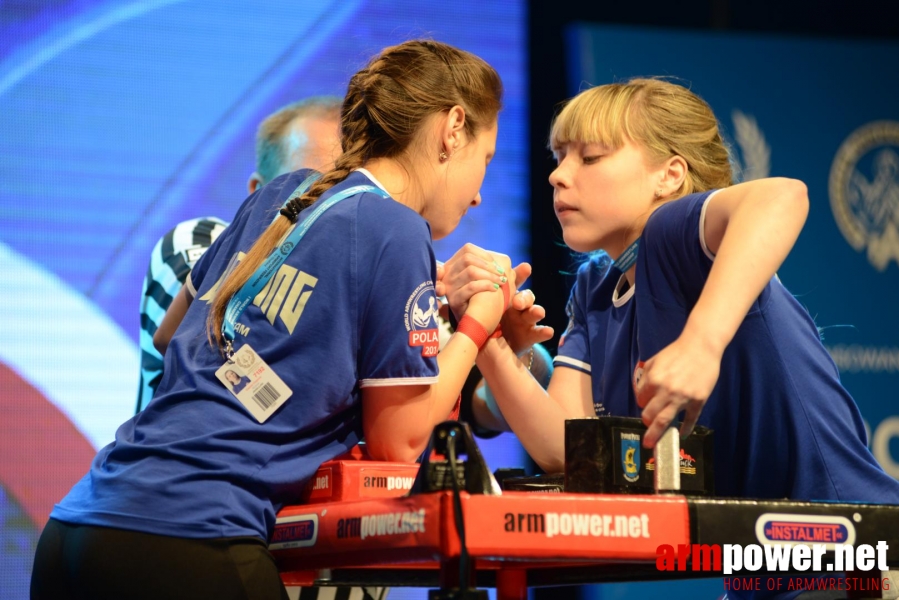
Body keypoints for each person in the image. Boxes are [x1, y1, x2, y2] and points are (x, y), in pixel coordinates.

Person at [31, 40, 510, 600]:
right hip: (191, 543)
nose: (479, 194)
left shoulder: (283, 192)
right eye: (487, 159)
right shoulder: (397, 229)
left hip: (76, 531)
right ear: (453, 128)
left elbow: (170, 336)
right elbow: (400, 444)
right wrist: (479, 322)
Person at [443, 77, 899, 597]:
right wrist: (491, 338)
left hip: (858, 561)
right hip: (766, 574)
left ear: (670, 175)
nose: (558, 176)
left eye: (589, 157)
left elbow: (782, 196)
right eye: (558, 157)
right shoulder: (596, 287)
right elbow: (565, 451)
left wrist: (702, 343)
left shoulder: (672, 235)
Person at [136, 97, 342, 413]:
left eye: (346, 189)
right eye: (312, 189)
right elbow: (218, 362)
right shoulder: (199, 241)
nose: (330, 205)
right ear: (258, 192)